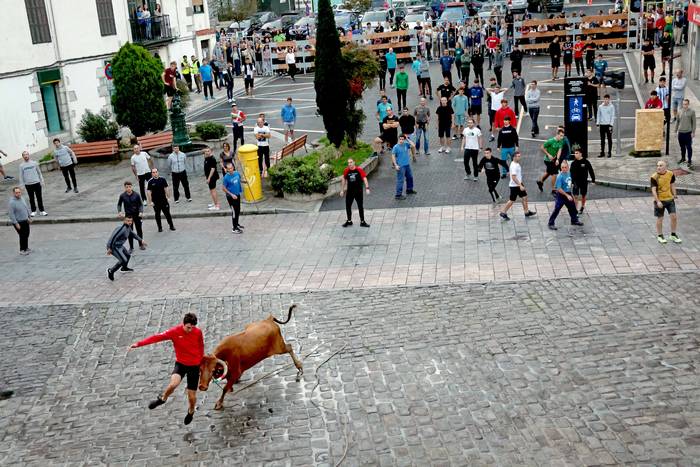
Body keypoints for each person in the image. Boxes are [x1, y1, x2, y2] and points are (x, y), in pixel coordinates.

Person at [128, 313, 204, 426]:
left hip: (194, 367)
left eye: (192, 327)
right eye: (188, 327)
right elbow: (157, 337)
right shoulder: (174, 332)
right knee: (173, 384)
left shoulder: (197, 332)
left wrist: (200, 361)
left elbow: (201, 346)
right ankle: (162, 399)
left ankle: (191, 411)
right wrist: (138, 344)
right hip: (181, 364)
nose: (190, 330)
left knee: (192, 398)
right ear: (183, 324)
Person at [106, 216, 147, 280]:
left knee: (128, 255)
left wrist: (141, 240)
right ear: (124, 221)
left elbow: (133, 234)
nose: (130, 222)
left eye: (131, 221)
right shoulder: (121, 229)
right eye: (128, 221)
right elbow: (113, 238)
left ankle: (124, 268)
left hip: (120, 246)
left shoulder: (128, 228)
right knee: (123, 260)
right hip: (114, 247)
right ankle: (111, 270)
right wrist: (109, 248)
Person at [547, 160, 584, 230]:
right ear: (560, 168)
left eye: (565, 167)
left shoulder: (569, 173)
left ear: (568, 168)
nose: (564, 169)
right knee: (557, 209)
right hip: (561, 195)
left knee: (572, 207)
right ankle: (551, 223)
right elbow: (559, 189)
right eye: (562, 167)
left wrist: (572, 189)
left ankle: (574, 220)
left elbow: (570, 182)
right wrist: (567, 195)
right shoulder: (559, 177)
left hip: (568, 193)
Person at [651, 160, 681, 244]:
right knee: (660, 218)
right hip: (660, 201)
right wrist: (658, 201)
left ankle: (673, 234)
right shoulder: (654, 177)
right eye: (657, 165)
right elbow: (653, 190)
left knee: (674, 217)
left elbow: (672, 184)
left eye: (660, 165)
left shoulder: (670, 174)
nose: (658, 167)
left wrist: (674, 194)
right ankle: (660, 236)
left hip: (669, 199)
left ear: (665, 167)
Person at [499, 152, 536, 221]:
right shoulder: (514, 166)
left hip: (518, 184)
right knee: (512, 200)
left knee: (524, 197)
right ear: (514, 157)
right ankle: (503, 212)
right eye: (518, 156)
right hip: (515, 186)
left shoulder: (516, 164)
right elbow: (513, 177)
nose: (519, 157)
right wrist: (520, 185)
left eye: (519, 156)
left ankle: (526, 212)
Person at [340, 158, 370, 227]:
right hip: (350, 192)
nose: (349, 164)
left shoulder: (359, 170)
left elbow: (365, 178)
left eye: (351, 162)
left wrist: (367, 188)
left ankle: (362, 222)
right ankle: (349, 221)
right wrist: (342, 190)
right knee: (348, 206)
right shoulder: (346, 170)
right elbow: (343, 179)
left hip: (358, 192)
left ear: (354, 162)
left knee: (360, 206)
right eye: (348, 163)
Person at [117, 181, 145, 250]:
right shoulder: (122, 195)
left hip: (137, 215)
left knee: (139, 230)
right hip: (128, 216)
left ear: (131, 187)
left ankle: (141, 244)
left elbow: (140, 204)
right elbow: (119, 204)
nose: (128, 188)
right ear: (125, 188)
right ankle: (131, 247)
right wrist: (119, 211)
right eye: (127, 187)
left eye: (130, 187)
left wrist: (141, 211)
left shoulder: (136, 195)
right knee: (129, 231)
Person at [147, 167, 175, 232]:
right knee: (157, 215)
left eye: (156, 172)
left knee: (167, 214)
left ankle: (171, 226)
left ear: (158, 172)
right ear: (151, 174)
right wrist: (150, 201)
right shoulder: (150, 182)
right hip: (155, 202)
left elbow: (166, 188)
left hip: (164, 200)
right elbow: (149, 192)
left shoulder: (162, 179)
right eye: (153, 172)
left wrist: (168, 197)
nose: (155, 173)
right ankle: (160, 228)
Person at [18, 151, 46, 216]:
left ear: (29, 155)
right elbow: (21, 176)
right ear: (23, 157)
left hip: (36, 183)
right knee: (31, 198)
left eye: (27, 154)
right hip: (28, 184)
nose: (26, 156)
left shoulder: (34, 163)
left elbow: (39, 172)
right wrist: (21, 185)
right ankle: (33, 211)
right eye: (24, 155)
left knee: (39, 197)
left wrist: (42, 181)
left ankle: (42, 211)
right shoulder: (21, 165)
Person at [570, 149, 596, 214]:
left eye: (577, 153)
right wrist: (572, 182)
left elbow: (591, 170)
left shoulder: (586, 162)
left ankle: (582, 206)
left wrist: (593, 180)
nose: (575, 154)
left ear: (581, 154)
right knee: (575, 195)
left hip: (584, 181)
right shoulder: (573, 163)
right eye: (575, 153)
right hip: (576, 182)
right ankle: (575, 209)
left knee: (583, 195)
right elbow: (571, 173)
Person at [391, 134, 416, 200]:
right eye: (400, 139)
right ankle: (398, 195)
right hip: (400, 166)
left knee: (410, 177)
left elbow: (413, 145)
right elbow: (393, 156)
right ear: (398, 139)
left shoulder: (406, 145)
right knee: (400, 180)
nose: (401, 140)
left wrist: (407, 139)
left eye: (402, 139)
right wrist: (395, 165)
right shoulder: (396, 147)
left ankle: (409, 190)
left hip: (407, 165)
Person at [222, 163, 244, 234]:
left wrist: (244, 181)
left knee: (238, 210)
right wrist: (231, 195)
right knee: (234, 212)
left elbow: (239, 180)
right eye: (229, 169)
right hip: (231, 197)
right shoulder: (226, 177)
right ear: (227, 170)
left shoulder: (236, 173)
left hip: (237, 194)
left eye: (231, 168)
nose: (231, 170)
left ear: (233, 167)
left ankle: (236, 223)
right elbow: (223, 188)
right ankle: (234, 228)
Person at [8, 186, 31, 255]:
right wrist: (16, 223)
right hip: (18, 222)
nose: (18, 194)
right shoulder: (12, 203)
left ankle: (26, 247)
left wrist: (29, 217)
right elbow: (11, 214)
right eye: (16, 193)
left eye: (19, 192)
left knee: (27, 234)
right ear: (13, 193)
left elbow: (26, 208)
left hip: (25, 220)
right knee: (22, 235)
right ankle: (22, 250)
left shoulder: (22, 199)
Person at [675, 98, 696, 168]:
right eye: (684, 104)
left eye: (686, 104)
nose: (685, 105)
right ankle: (683, 158)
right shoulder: (679, 111)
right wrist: (675, 131)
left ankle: (689, 161)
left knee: (689, 147)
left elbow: (694, 123)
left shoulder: (692, 112)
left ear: (688, 104)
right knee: (682, 147)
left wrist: (693, 132)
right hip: (680, 133)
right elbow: (677, 121)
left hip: (688, 133)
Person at [596, 94, 615, 158]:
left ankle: (609, 152)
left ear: (609, 99)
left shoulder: (612, 107)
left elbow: (612, 116)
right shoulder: (600, 106)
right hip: (602, 125)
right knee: (602, 139)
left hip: (609, 125)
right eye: (605, 99)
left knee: (609, 139)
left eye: (607, 99)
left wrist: (611, 125)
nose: (606, 100)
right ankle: (602, 152)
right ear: (604, 99)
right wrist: (598, 124)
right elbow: (598, 115)